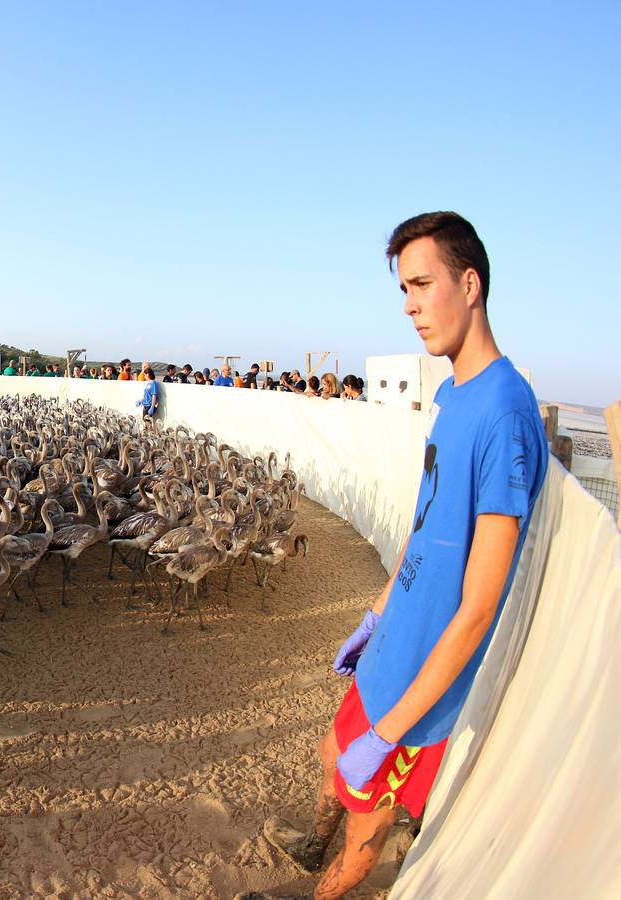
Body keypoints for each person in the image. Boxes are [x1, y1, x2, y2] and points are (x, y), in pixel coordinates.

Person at [248, 212, 547, 900]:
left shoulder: (505, 412)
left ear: (469, 284)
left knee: (368, 836)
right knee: (332, 755)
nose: (409, 306)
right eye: (403, 290)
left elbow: (477, 609)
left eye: (421, 284)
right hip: (393, 652)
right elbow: (425, 520)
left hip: (420, 690)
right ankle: (310, 842)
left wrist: (391, 729)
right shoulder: (454, 393)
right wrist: (376, 616)